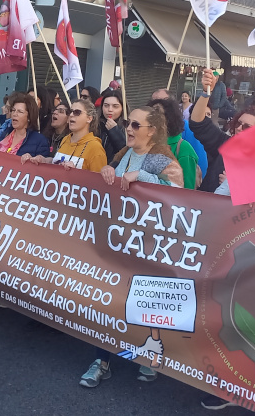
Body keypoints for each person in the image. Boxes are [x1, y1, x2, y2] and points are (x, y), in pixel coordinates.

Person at [81, 106, 183, 388]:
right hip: (117, 241)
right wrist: (106, 169)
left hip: (146, 245)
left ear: (152, 130)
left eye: (136, 125)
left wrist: (144, 177)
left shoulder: (161, 159)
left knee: (142, 300)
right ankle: (101, 360)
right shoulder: (123, 154)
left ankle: (150, 354)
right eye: (128, 123)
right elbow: (113, 181)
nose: (129, 128)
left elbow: (179, 193)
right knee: (107, 298)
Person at [22, 99, 106, 172]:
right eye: (70, 112)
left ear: (89, 118)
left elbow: (98, 185)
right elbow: (57, 162)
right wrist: (43, 159)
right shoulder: (66, 139)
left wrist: (76, 172)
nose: (72, 115)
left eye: (77, 112)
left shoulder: (95, 148)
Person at [152, 87, 208, 178]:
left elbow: (199, 158)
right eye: (153, 101)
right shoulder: (146, 128)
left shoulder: (186, 127)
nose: (156, 105)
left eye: (162, 101)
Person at [148, 97, 200, 189]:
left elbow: (187, 191)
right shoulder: (144, 144)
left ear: (170, 119)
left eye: (158, 115)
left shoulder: (184, 149)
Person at [0, 92, 50, 158]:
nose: (14, 114)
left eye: (20, 111)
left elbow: (43, 166)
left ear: (29, 117)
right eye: (13, 110)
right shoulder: (5, 134)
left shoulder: (40, 141)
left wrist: (33, 160)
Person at [97, 88, 127, 162]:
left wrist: (115, 131)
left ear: (123, 109)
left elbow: (126, 151)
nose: (110, 109)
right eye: (106, 105)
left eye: (115, 106)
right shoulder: (95, 125)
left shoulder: (128, 127)